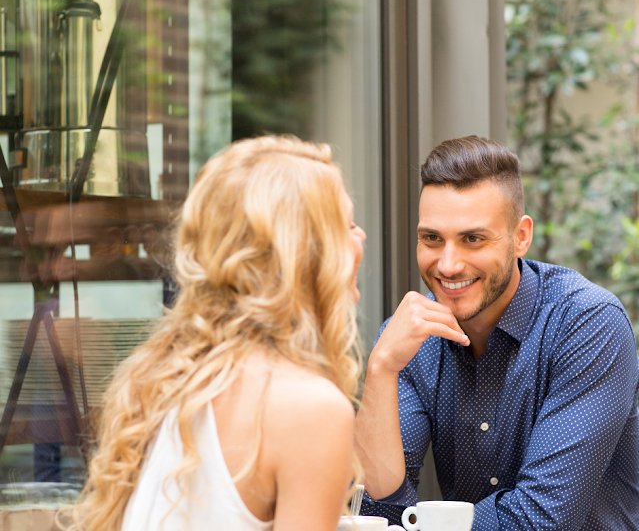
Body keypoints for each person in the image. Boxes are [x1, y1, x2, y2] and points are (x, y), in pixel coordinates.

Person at [72, 136, 367, 531]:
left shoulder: (162, 379)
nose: (360, 236)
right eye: (346, 225)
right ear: (306, 252)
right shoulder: (310, 407)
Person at [355, 136, 639, 530]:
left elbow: (540, 521)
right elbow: (379, 513)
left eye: (473, 239)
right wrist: (381, 368)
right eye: (431, 238)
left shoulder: (587, 323)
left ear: (521, 237)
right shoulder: (408, 340)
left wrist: (421, 523)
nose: (448, 264)